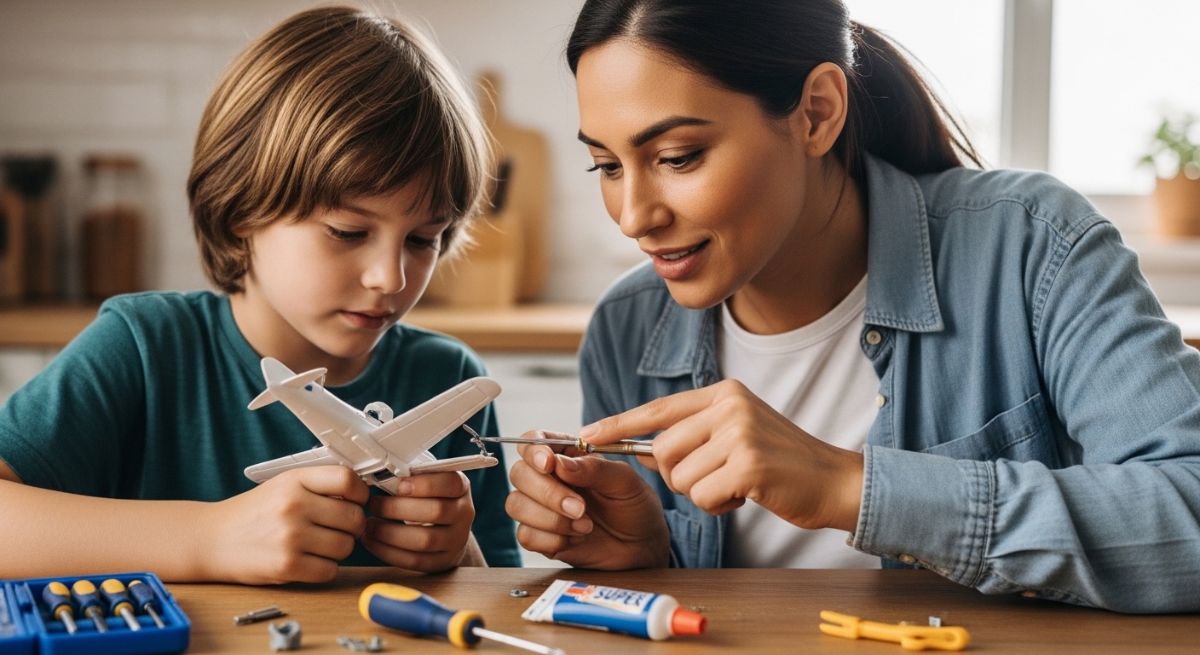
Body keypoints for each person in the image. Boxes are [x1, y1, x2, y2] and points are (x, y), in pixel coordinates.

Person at [504, 0, 1200, 612]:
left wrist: (850, 486)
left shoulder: (1029, 247)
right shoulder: (627, 330)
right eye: (607, 165)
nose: (632, 216)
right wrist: (647, 561)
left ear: (817, 112)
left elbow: (1187, 513)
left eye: (679, 156)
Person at [0, 6, 520, 583]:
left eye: (425, 238)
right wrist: (209, 539)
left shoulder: (448, 376)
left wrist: (457, 553)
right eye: (348, 232)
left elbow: (503, 596)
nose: (389, 279)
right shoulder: (143, 348)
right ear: (243, 211)